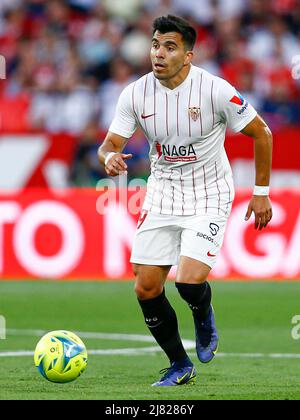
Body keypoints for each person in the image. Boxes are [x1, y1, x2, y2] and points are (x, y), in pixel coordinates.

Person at [98, 15, 273, 387]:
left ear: (189, 55)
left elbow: (263, 134)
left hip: (209, 192)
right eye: (155, 45)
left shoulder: (215, 91)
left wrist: (261, 194)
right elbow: (110, 143)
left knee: (189, 282)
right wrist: (108, 157)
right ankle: (179, 363)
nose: (159, 54)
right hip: (162, 192)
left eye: (170, 46)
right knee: (146, 287)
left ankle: (202, 309)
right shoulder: (135, 93)